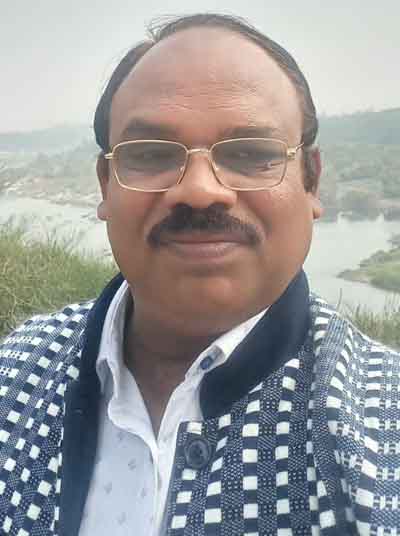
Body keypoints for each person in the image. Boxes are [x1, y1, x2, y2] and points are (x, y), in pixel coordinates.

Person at [0, 13, 398, 536]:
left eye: (251, 154)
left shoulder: (378, 430)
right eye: (150, 155)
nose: (200, 190)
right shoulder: (17, 375)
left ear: (311, 181)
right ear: (105, 185)